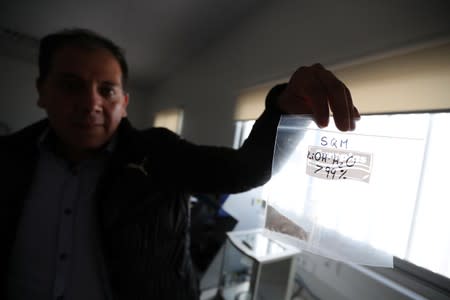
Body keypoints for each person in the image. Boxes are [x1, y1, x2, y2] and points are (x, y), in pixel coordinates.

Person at [0, 28, 359, 300]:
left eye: (106, 90)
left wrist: (285, 111)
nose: (90, 102)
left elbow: (246, 169)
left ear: (124, 102)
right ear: (42, 91)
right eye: (70, 85)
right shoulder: (8, 159)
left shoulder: (159, 153)